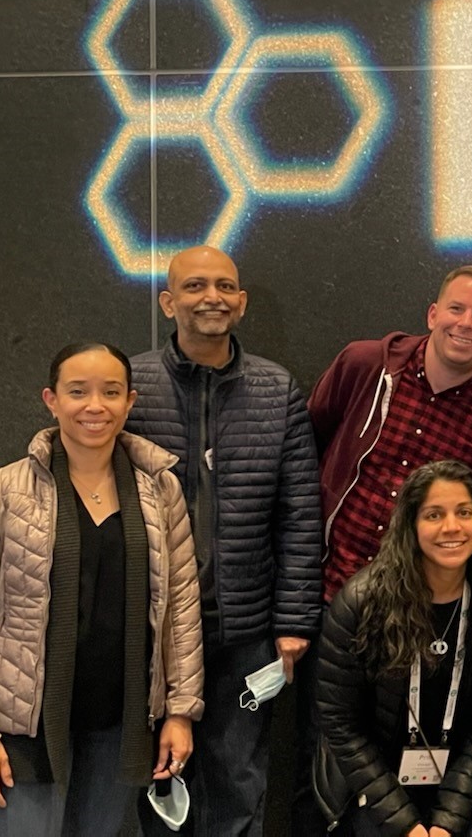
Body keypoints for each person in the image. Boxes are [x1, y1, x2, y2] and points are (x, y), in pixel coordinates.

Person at [125, 245, 323, 835]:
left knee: (239, 775)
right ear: (168, 302)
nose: (211, 296)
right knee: (158, 778)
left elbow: (300, 512)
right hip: (154, 631)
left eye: (224, 286)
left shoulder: (276, 388)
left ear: (241, 302)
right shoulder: (129, 384)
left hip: (246, 631)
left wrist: (293, 620)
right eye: (194, 286)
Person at [0, 343, 204, 835]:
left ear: (130, 401)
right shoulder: (1, 491)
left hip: (119, 722)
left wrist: (181, 713)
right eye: (77, 392)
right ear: (51, 399)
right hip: (22, 730)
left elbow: (182, 609)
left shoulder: (159, 491)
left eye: (110, 392)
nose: (94, 406)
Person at [313, 460, 472, 836]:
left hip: (458, 786)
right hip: (374, 786)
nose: (452, 527)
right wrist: (407, 826)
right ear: (411, 525)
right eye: (434, 514)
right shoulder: (360, 604)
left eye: (464, 512)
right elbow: (342, 726)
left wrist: (445, 823)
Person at [309, 264, 472, 602]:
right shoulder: (364, 366)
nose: (466, 323)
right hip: (322, 593)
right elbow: (304, 454)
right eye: (456, 309)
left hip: (412, 616)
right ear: (433, 315)